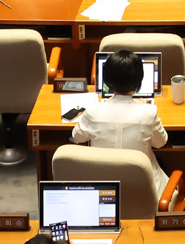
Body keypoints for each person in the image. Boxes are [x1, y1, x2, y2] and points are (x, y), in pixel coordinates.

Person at [72, 50, 169, 186]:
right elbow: (160, 143)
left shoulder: (93, 111)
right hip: (142, 186)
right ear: (139, 81)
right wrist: (142, 107)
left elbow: (77, 138)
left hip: (103, 185)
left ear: (106, 80)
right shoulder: (149, 112)